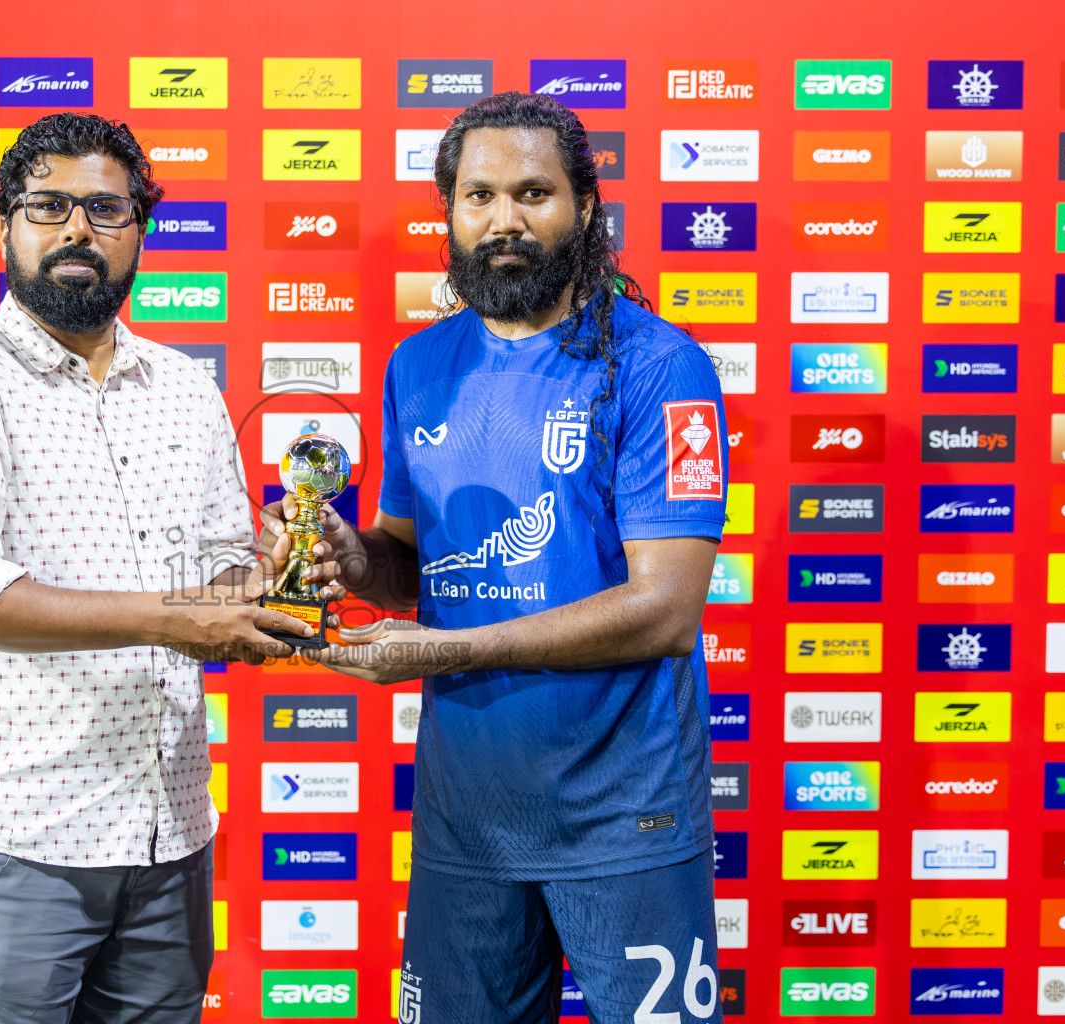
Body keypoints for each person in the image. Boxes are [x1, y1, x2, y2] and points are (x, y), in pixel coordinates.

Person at [0, 113, 338, 1024]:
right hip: (18, 837)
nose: (77, 230)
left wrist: (274, 578)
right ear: (4, 227)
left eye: (105, 209)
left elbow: (218, 580)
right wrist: (176, 617)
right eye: (48, 206)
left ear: (139, 231)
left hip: (170, 835)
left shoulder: (186, 389)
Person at [306, 92, 729, 1023]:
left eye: (533, 193)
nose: (505, 219)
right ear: (450, 212)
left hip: (624, 814)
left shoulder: (660, 366)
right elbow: (416, 562)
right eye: (480, 196)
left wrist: (449, 650)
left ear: (586, 205)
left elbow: (666, 610)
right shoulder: (418, 366)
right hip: (466, 822)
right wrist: (355, 558)